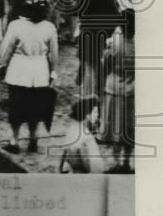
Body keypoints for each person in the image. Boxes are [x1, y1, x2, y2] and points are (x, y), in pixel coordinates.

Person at [0, 0, 59, 154]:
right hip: (39, 70)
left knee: (16, 106)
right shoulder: (49, 28)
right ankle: (33, 138)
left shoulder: (16, 26)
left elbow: (6, 48)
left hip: (19, 69)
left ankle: (14, 140)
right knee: (35, 107)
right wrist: (52, 72)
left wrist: (1, 63)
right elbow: (53, 54)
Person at [100, 12, 135, 173]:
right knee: (129, 128)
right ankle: (126, 161)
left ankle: (117, 161)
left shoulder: (115, 43)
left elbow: (105, 63)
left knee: (115, 126)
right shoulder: (138, 44)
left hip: (114, 87)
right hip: (131, 89)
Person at [57, 95, 103, 174]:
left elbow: (62, 164)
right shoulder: (87, 138)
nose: (98, 115)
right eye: (95, 112)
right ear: (87, 115)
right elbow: (96, 169)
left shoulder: (72, 130)